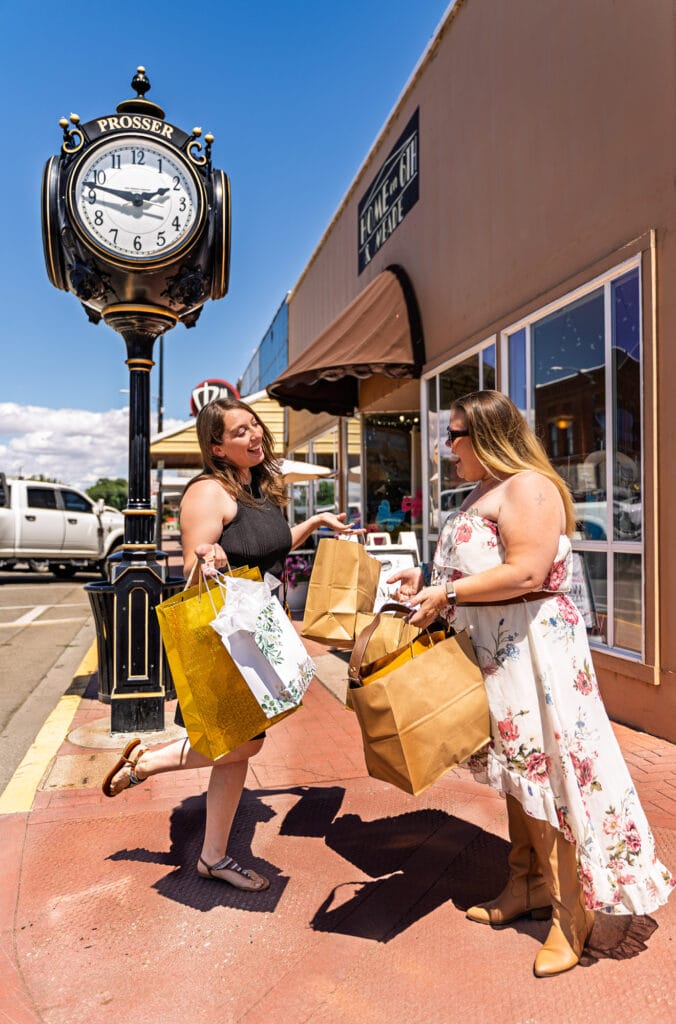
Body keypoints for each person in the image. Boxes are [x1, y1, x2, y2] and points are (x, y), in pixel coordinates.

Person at [389, 390, 673, 976]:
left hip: (534, 654)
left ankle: (573, 917)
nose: (449, 447)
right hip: (499, 652)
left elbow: (526, 570)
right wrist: (429, 579)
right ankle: (527, 885)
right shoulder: (480, 491)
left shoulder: (527, 486)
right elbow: (478, 565)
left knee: (552, 777)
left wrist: (449, 593)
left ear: (489, 434)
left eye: (457, 434)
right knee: (519, 775)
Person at [101, 396, 354, 892]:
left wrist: (317, 522)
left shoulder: (255, 487)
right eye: (240, 432)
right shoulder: (207, 493)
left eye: (255, 425)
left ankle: (213, 855)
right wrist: (207, 554)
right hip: (225, 639)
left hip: (256, 629)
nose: (255, 434)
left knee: (239, 748)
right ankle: (148, 764)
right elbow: (196, 570)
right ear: (216, 447)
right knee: (245, 742)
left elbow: (269, 547)